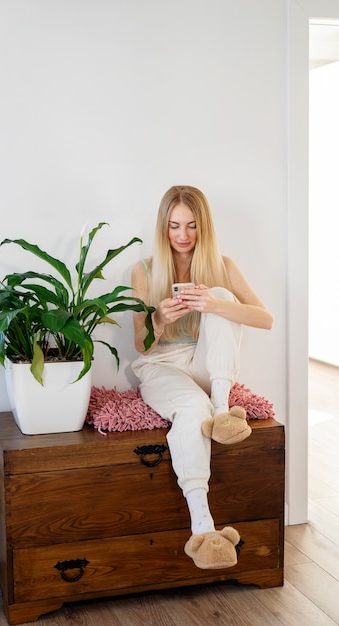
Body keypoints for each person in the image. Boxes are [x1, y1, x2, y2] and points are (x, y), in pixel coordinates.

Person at [131, 185, 273, 570]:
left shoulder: (222, 264)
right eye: (175, 226)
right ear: (164, 227)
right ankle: (203, 528)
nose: (182, 236)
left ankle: (223, 412)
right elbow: (141, 346)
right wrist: (159, 319)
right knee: (193, 411)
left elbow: (266, 319)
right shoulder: (144, 271)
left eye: (192, 226)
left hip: (206, 367)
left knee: (224, 295)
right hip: (162, 366)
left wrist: (216, 304)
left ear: (203, 227)